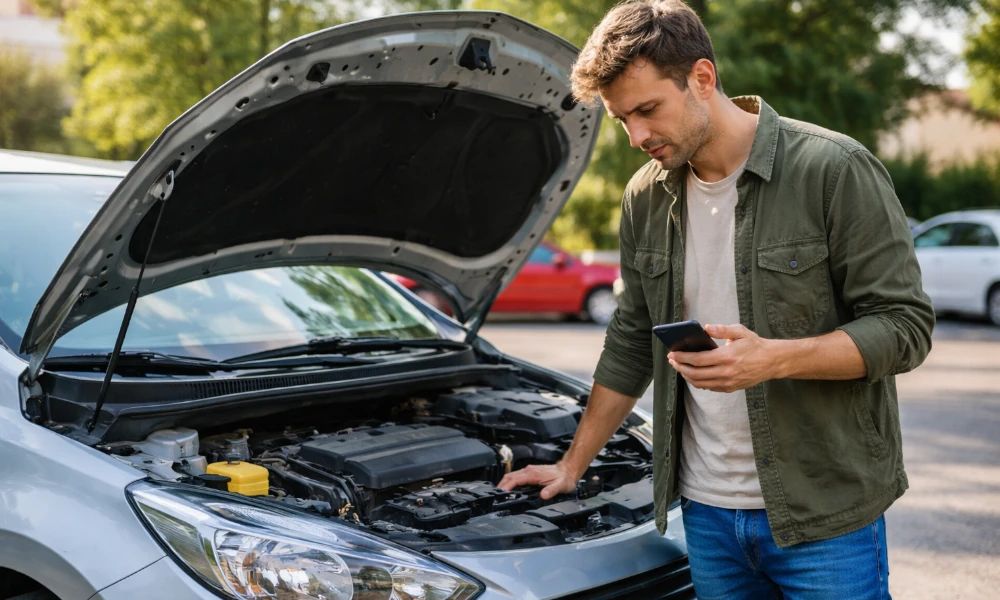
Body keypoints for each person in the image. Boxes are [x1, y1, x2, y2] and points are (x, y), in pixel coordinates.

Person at [497, 1, 935, 597]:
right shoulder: (644, 197)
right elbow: (631, 338)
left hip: (825, 515)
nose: (637, 136)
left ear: (702, 78)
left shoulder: (834, 170)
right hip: (704, 515)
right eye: (623, 119)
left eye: (648, 110)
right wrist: (572, 464)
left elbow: (905, 327)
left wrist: (774, 359)